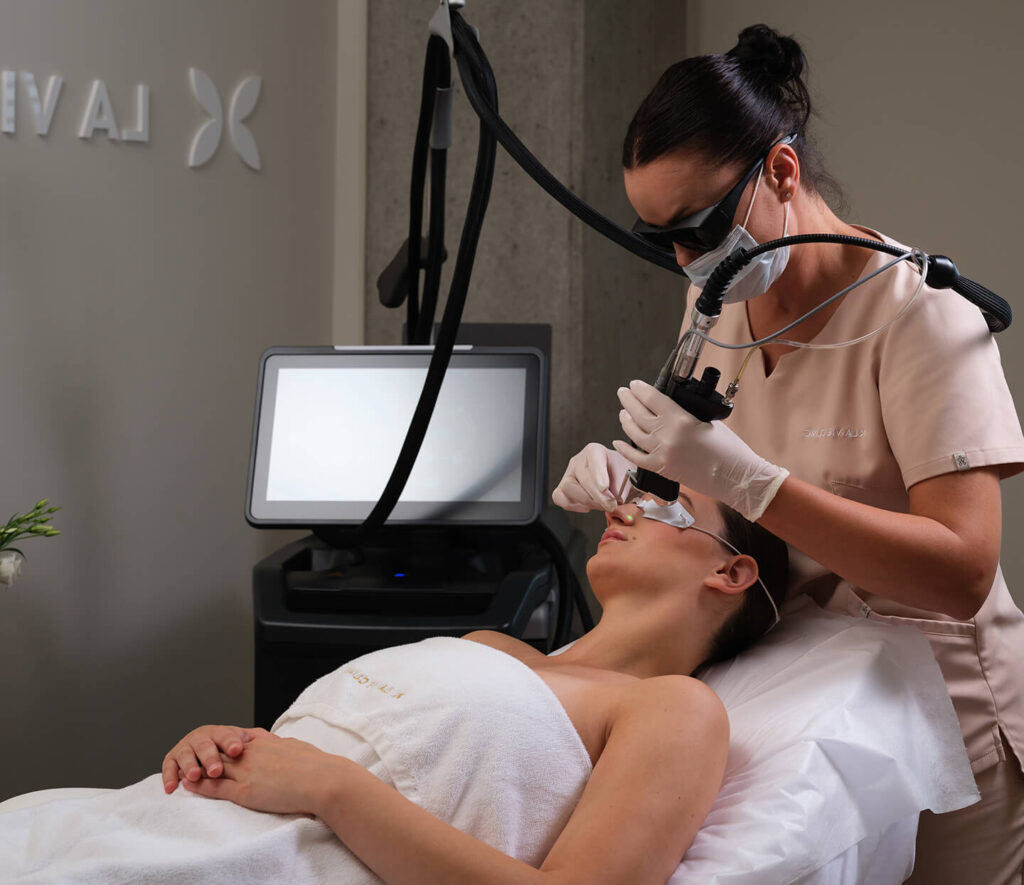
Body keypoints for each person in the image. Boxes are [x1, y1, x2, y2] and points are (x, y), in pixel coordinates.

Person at [553, 23, 1024, 885]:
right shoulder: (721, 305)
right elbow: (708, 494)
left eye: (700, 227)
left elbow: (963, 570)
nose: (689, 262)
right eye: (664, 240)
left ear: (780, 171)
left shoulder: (921, 318)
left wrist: (750, 481)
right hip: (806, 697)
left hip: (946, 715)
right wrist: (643, 481)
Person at [1, 489, 788, 884]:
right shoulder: (493, 644)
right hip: (150, 816)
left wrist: (332, 786)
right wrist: (224, 744)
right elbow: (317, 748)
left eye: (665, 501)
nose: (623, 503)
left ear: (731, 570)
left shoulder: (674, 709)